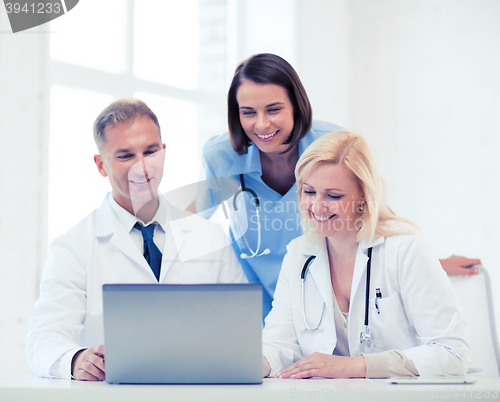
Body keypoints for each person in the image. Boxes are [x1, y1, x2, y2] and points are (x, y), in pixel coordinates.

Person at [195, 53, 480, 321]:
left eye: (274, 109)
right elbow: (187, 223)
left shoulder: (332, 143)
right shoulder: (220, 156)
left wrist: (426, 264)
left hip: (324, 286)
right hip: (253, 294)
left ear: (296, 104)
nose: (261, 124)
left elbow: (373, 212)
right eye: (248, 112)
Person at [26, 99, 246, 381]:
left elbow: (242, 330)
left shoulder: (208, 236)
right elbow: (44, 338)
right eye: (125, 156)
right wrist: (74, 359)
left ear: (163, 152)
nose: (142, 168)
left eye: (150, 151)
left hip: (194, 392)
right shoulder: (73, 247)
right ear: (101, 165)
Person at [261, 131, 471, 379]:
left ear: (363, 197)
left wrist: (355, 366)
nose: (317, 206)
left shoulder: (405, 249)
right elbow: (278, 344)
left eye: (333, 195)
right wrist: (253, 364)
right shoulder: (299, 254)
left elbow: (452, 353)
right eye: (309, 192)